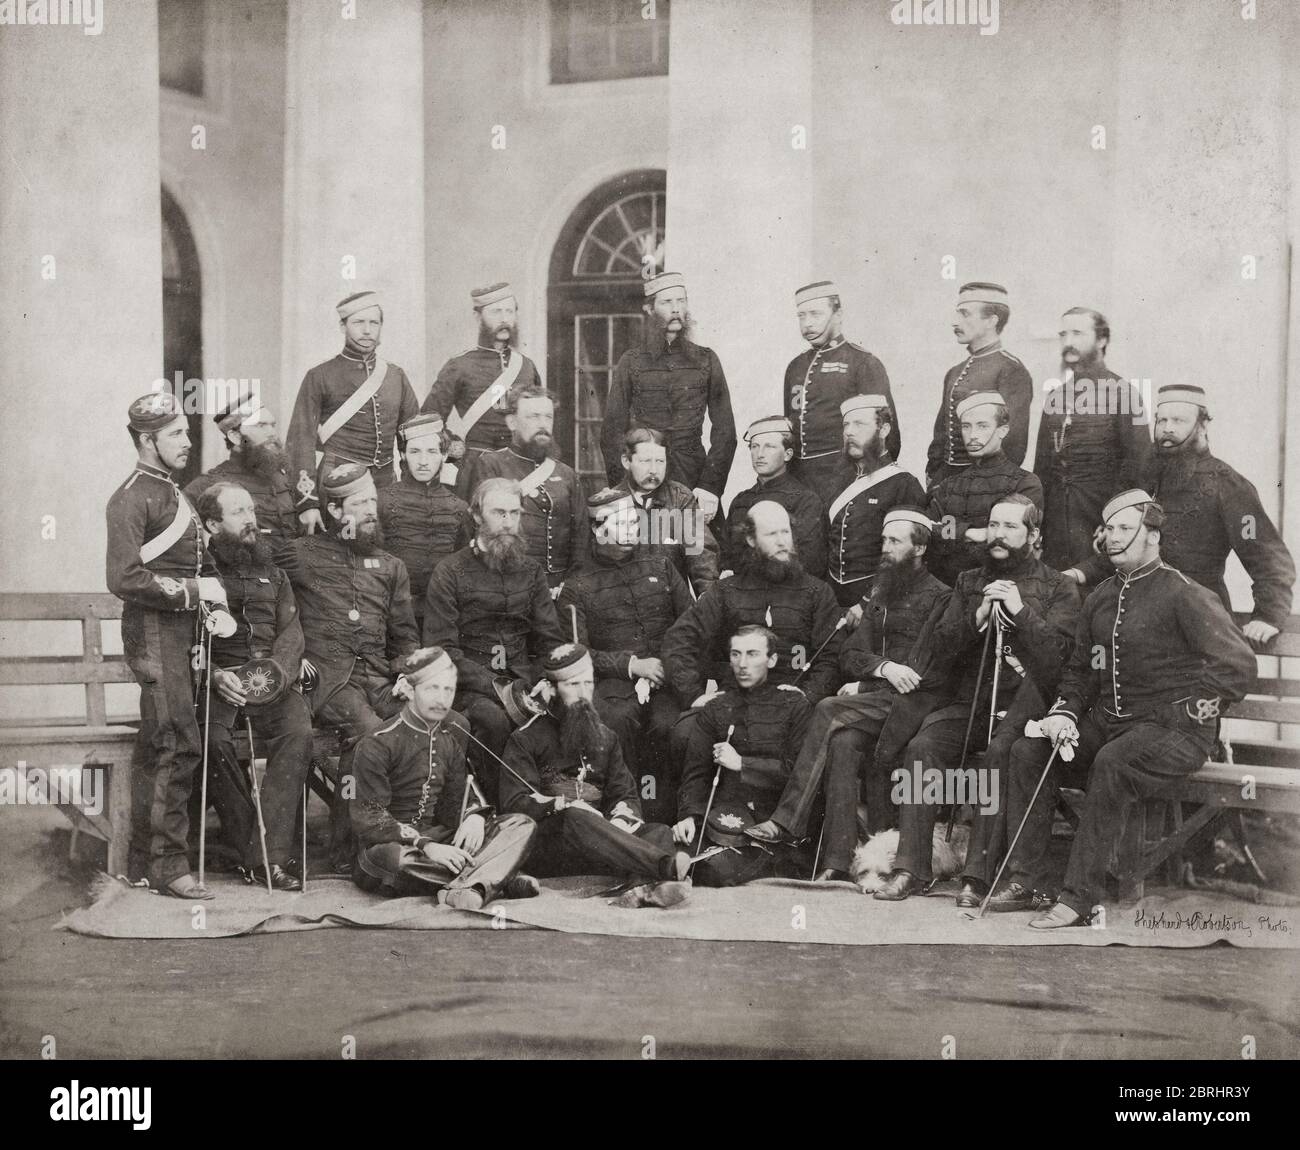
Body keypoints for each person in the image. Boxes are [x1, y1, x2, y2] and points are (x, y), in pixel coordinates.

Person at [997, 490, 1256, 927]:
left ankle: (1079, 899)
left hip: (1177, 735)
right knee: (1028, 751)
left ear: (1152, 535)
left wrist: (1192, 712)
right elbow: (1080, 672)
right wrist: (1062, 713)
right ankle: (1029, 881)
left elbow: (1239, 667)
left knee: (1112, 762)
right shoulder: (1099, 597)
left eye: (1123, 529)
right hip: (1113, 724)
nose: (1111, 539)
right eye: (1108, 530)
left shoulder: (1185, 594)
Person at [873, 495, 1079, 904]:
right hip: (972, 701)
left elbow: (1060, 660)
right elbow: (942, 648)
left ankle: (977, 876)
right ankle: (911, 867)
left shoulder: (1060, 587)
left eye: (1010, 527)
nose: (998, 535)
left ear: (1033, 535)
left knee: (999, 753)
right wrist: (978, 616)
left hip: (1028, 703)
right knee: (923, 746)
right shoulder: (969, 581)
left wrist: (1021, 612)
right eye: (994, 526)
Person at [745, 509, 950, 879]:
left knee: (827, 709)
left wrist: (869, 681)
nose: (885, 548)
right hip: (880, 700)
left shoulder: (941, 598)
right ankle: (837, 862)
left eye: (895, 541)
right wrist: (882, 669)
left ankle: (786, 820)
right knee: (841, 743)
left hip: (917, 707)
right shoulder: (880, 591)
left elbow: (922, 670)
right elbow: (850, 653)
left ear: (919, 547)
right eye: (883, 540)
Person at [106, 392, 227, 899]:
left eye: (185, 430)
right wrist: (196, 593)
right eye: (176, 433)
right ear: (146, 440)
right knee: (177, 739)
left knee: (166, 738)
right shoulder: (133, 496)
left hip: (184, 631)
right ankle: (166, 865)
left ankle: (143, 859)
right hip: (154, 630)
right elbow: (125, 576)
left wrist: (215, 605)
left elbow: (198, 565)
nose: (187, 440)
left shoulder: (175, 494)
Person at [1065, 384, 1294, 649]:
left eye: (1179, 420)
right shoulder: (1144, 481)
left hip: (1197, 625)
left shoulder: (1229, 487)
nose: (1168, 428)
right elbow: (1127, 550)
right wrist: (1078, 573)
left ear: (1203, 425)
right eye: (1162, 420)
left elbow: (1267, 557)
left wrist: (1268, 616)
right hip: (1136, 619)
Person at [279, 462, 420, 872]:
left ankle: (421, 833)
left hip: (379, 678)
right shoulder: (301, 554)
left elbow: (406, 636)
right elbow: (260, 585)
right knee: (369, 733)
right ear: (336, 512)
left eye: (373, 501)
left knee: (444, 719)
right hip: (329, 681)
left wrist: (407, 674)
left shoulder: (392, 566)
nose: (371, 510)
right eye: (360, 503)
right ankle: (346, 851)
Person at [499, 644, 690, 906]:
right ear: (552, 689)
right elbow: (515, 803)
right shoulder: (525, 739)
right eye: (573, 685)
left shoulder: (607, 737)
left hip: (603, 846)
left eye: (588, 684)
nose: (583, 693)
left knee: (659, 830)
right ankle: (662, 869)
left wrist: (622, 819)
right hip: (553, 848)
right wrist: (563, 804)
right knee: (576, 816)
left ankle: (642, 890)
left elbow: (626, 794)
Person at [350, 647, 540, 909]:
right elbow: (370, 819)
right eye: (432, 689)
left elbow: (458, 796)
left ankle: (467, 885)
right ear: (410, 691)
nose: (441, 700)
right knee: (399, 861)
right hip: (389, 846)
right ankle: (495, 879)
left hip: (439, 838)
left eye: (448, 691)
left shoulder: (449, 737)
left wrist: (473, 816)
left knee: (520, 825)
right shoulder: (377, 743)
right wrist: (426, 845)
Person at [194, 481, 313, 889]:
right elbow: (187, 642)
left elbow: (292, 633)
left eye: (252, 511)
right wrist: (211, 675)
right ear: (212, 523)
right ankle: (258, 850)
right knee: (212, 743)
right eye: (239, 513)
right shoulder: (198, 575)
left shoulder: (275, 574)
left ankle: (266, 855)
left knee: (298, 732)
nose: (251, 520)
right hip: (222, 683)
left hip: (273, 683)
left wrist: (279, 673)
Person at [422, 478, 565, 803]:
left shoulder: (531, 571)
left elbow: (548, 638)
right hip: (471, 686)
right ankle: (507, 809)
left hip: (526, 682)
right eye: (498, 512)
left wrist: (546, 679)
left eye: (514, 513)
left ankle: (559, 801)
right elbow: (443, 650)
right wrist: (499, 688)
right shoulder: (450, 572)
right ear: (476, 516)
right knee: (493, 720)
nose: (507, 522)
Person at [557, 487, 694, 821]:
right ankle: (625, 809)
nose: (633, 528)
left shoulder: (661, 566)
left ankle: (672, 816)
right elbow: (578, 653)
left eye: (635, 520)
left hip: (667, 675)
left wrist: (667, 664)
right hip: (615, 683)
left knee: (672, 725)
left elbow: (690, 624)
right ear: (599, 528)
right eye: (623, 522)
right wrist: (631, 665)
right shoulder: (578, 585)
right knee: (615, 721)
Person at [662, 500, 844, 710]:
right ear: (751, 539)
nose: (782, 542)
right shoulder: (725, 591)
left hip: (796, 705)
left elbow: (831, 655)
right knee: (685, 733)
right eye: (771, 534)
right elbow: (679, 640)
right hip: (736, 702)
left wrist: (809, 695)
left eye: (785, 532)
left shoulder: (818, 592)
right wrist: (693, 696)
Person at [673, 626, 812, 886]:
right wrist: (689, 815)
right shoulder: (716, 707)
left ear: (771, 660)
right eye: (735, 655)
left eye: (752, 654)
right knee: (666, 843)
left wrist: (742, 764)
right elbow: (696, 773)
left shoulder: (795, 706)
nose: (742, 664)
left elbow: (799, 774)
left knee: (714, 870)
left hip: (772, 824)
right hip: (722, 818)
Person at [601, 271, 736, 524]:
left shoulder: (707, 359)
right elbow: (611, 433)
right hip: (645, 479)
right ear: (649, 309)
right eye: (667, 303)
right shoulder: (631, 362)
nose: (676, 309)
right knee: (648, 552)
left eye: (681, 301)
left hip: (695, 480)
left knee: (699, 552)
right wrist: (625, 489)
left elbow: (726, 431)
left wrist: (710, 486)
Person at [286, 291, 420, 531]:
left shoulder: (396, 376)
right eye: (359, 323)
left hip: (386, 487)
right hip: (338, 489)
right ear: (342, 326)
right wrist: (307, 503)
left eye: (374, 323)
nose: (367, 331)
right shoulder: (319, 376)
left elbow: (412, 438)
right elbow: (300, 441)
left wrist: (411, 492)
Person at [1033, 307, 1151, 570]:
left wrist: (1114, 520)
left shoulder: (1124, 394)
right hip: (1056, 523)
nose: (1068, 342)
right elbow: (1041, 467)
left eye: (1077, 333)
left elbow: (1140, 466)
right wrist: (1036, 523)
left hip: (1099, 520)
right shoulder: (1056, 397)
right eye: (1063, 334)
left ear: (1102, 340)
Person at [783, 280, 901, 506]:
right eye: (801, 316)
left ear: (838, 314)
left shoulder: (863, 362)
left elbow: (888, 434)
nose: (807, 324)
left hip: (844, 478)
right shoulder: (795, 366)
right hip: (799, 479)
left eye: (815, 314)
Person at [421, 282, 544, 497]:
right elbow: (428, 418)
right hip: (476, 468)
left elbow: (539, 413)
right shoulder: (459, 365)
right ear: (478, 317)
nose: (504, 319)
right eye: (496, 312)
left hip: (520, 467)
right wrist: (451, 445)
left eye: (509, 311)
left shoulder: (526, 366)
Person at [459, 387, 584, 589]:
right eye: (533, 417)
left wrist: (570, 586)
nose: (543, 425)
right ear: (512, 422)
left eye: (548, 417)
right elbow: (473, 529)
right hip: (507, 584)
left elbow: (581, 537)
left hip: (559, 587)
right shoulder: (490, 465)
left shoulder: (567, 474)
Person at [925, 391, 1044, 588]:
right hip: (947, 590)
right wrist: (971, 533)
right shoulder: (949, 485)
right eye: (966, 426)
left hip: (1000, 590)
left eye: (982, 426)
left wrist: (953, 537)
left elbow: (1016, 547)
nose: (972, 435)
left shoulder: (1025, 483)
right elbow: (929, 531)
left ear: (1002, 430)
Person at [925, 282, 1033, 490]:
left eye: (965, 314)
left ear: (992, 321)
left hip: (986, 486)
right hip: (946, 483)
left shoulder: (1010, 369)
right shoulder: (955, 372)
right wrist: (934, 474)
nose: (954, 322)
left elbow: (1013, 441)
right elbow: (941, 434)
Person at [826, 395, 926, 610]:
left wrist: (867, 603)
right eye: (846, 425)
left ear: (884, 430)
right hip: (833, 599)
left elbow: (906, 558)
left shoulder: (904, 484)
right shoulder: (838, 481)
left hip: (879, 601)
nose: (849, 432)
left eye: (859, 424)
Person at [377, 413, 469, 636]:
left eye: (432, 451)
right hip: (390, 615)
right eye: (415, 451)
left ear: (444, 454)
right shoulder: (382, 500)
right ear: (403, 455)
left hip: (442, 616)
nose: (424, 461)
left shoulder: (459, 507)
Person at [186, 391, 305, 552]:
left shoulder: (285, 476)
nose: (272, 433)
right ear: (235, 436)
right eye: (261, 425)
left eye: (272, 425)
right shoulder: (209, 483)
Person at [613, 427, 720, 597]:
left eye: (660, 461)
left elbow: (700, 556)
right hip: (626, 606)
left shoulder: (680, 499)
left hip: (672, 605)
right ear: (626, 461)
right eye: (645, 461)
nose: (654, 470)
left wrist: (708, 600)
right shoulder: (612, 502)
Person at [722, 416, 827, 579]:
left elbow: (810, 564)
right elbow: (726, 558)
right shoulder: (740, 501)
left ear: (787, 454)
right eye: (754, 447)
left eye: (769, 446)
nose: (760, 454)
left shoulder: (805, 501)